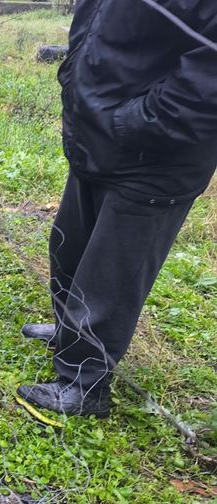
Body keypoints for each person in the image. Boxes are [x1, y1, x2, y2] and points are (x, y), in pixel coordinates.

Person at [17, 0, 217, 417]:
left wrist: (136, 121)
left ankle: (84, 387)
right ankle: (68, 331)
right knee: (70, 248)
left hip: (158, 151)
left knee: (110, 274)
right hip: (102, 136)